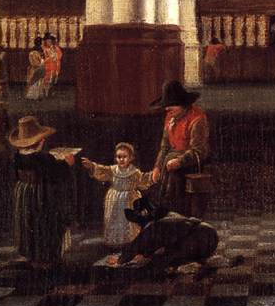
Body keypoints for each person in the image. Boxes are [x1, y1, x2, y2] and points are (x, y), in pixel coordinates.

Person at [8, 114, 75, 269]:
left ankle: (32, 255)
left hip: (23, 194)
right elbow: (57, 174)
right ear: (41, 141)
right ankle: (46, 258)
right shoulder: (44, 158)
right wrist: (67, 163)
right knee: (45, 223)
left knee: (28, 223)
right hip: (41, 194)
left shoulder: (17, 156)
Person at [105, 194, 219, 275]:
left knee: (159, 262)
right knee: (165, 252)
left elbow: (139, 243)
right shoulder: (169, 215)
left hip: (200, 239)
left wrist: (120, 260)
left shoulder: (156, 225)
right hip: (210, 236)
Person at [148, 80, 209, 213]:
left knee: (174, 177)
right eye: (166, 107)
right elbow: (164, 146)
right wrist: (157, 167)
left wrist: (179, 161)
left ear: (183, 105)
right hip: (169, 163)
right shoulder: (170, 117)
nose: (167, 110)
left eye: (171, 107)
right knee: (157, 180)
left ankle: (176, 213)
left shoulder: (197, 118)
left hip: (190, 163)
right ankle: (164, 211)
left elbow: (199, 151)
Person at [80, 142, 153, 246]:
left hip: (129, 201)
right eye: (119, 157)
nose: (121, 159)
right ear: (115, 158)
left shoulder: (135, 172)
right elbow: (101, 170)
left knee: (128, 223)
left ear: (131, 158)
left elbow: (143, 181)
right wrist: (91, 165)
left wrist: (152, 177)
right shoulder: (112, 170)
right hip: (114, 200)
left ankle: (130, 244)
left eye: (124, 157)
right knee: (113, 220)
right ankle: (115, 244)